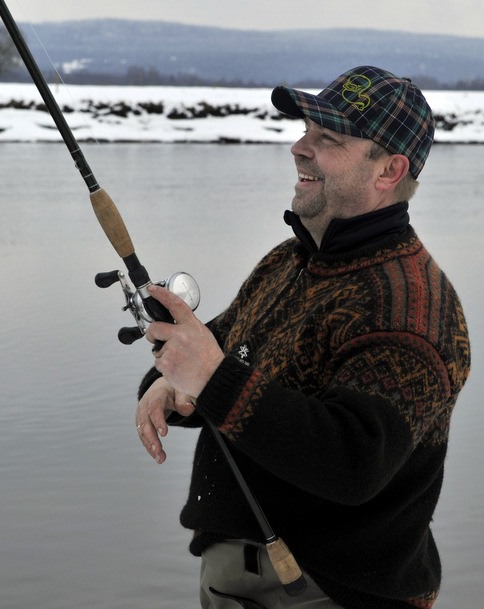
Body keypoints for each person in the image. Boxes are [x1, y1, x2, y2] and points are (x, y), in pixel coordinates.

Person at [135, 65, 471, 609]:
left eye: (328, 140)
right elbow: (220, 357)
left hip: (331, 592)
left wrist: (211, 378)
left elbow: (353, 463)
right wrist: (172, 381)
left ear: (390, 170)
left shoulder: (409, 306)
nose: (298, 148)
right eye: (305, 131)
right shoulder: (290, 261)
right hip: (241, 581)